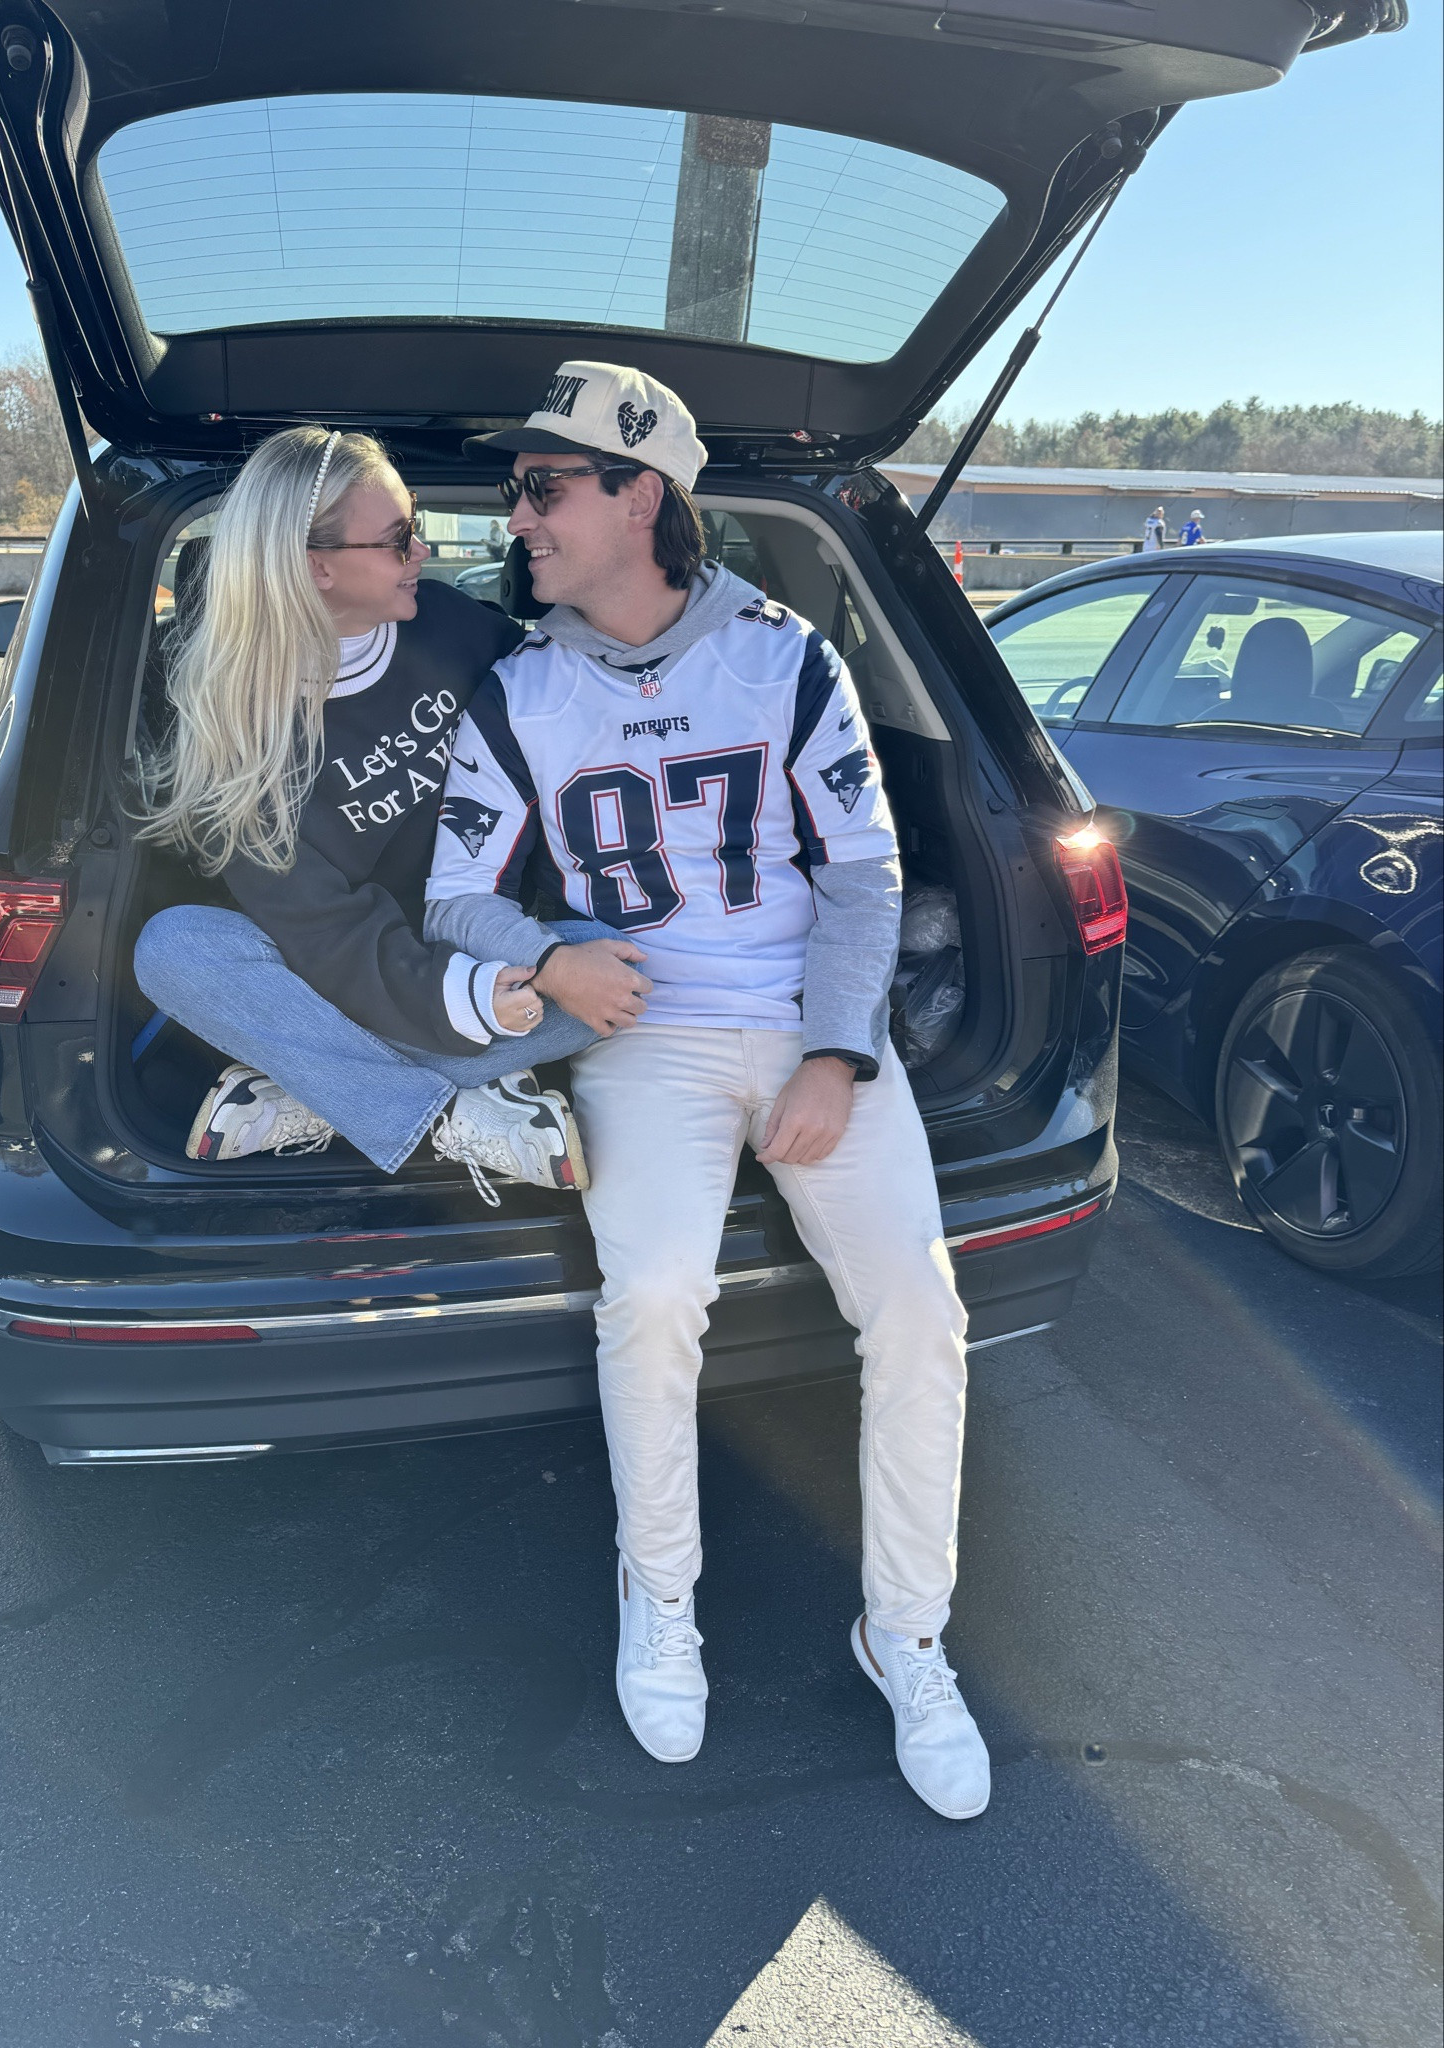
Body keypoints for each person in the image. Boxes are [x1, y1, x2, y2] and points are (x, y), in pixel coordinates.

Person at [424, 361, 989, 1819]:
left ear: (639, 496)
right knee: (657, 1291)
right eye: (519, 489)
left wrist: (834, 1050)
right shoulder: (518, 687)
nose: (519, 512)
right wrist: (551, 953)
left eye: (545, 485)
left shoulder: (788, 657)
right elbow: (451, 898)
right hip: (642, 1039)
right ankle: (656, 1596)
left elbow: (862, 877)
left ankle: (906, 1634)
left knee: (921, 1307)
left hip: (806, 1022)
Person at [130, 424, 609, 1202]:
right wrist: (469, 1002)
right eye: (398, 540)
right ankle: (444, 1115)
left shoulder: (456, 630)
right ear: (314, 567)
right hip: (340, 972)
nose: (422, 552)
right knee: (176, 949)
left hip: (489, 945)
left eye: (413, 528)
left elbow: (580, 707)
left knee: (622, 960)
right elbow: (326, 936)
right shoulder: (235, 733)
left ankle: (313, 1082)